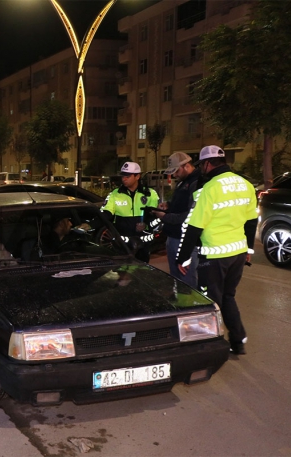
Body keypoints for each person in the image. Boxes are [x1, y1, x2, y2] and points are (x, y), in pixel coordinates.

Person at [176, 145, 257, 355]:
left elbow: (194, 226)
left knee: (210, 302)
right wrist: (248, 248)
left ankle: (211, 346)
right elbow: (251, 221)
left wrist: (182, 258)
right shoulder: (245, 184)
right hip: (238, 253)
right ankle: (238, 341)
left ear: (207, 164)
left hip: (214, 255)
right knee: (228, 296)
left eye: (202, 165)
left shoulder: (209, 189)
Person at [151, 152, 201, 287]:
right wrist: (169, 205)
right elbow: (181, 205)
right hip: (174, 236)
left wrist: (166, 217)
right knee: (176, 280)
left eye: (176, 171)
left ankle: (189, 307)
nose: (174, 175)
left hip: (185, 240)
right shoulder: (183, 182)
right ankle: (180, 304)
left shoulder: (196, 183)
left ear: (186, 166)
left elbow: (192, 213)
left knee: (186, 281)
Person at [101, 162, 159, 262]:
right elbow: (106, 213)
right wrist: (90, 224)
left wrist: (146, 225)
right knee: (123, 273)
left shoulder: (150, 194)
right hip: (122, 245)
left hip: (143, 245)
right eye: (123, 176)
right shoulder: (115, 194)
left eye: (127, 176)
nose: (124, 179)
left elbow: (156, 216)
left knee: (142, 273)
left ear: (137, 176)